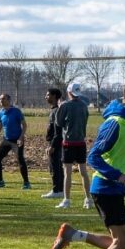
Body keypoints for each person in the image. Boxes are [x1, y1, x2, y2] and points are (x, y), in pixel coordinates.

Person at [49, 77, 125, 249]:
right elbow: (93, 157)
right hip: (105, 188)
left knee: (124, 243)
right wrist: (119, 176)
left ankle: (72, 235)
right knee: (121, 242)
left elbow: (115, 157)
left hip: (112, 188)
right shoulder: (116, 123)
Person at [55, 81, 92, 210]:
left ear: (69, 92)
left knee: (68, 173)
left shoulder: (65, 105)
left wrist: (59, 108)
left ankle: (67, 200)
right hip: (81, 142)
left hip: (68, 143)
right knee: (83, 172)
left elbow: (59, 123)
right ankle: (88, 199)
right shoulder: (84, 105)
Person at [0, 93, 30, 189]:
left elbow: (24, 125)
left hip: (17, 140)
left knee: (20, 160)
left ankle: (26, 183)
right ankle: (0, 181)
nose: (1, 101)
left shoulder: (16, 111)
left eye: (3, 99)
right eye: (0, 99)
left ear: (9, 100)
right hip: (6, 140)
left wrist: (21, 137)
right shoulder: (1, 112)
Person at [41, 87, 64, 200]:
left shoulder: (56, 111)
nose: (46, 97)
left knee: (55, 167)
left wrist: (52, 146)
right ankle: (60, 190)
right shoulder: (54, 109)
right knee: (57, 167)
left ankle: (57, 190)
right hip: (55, 142)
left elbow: (57, 131)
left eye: (48, 95)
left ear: (54, 96)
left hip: (55, 143)